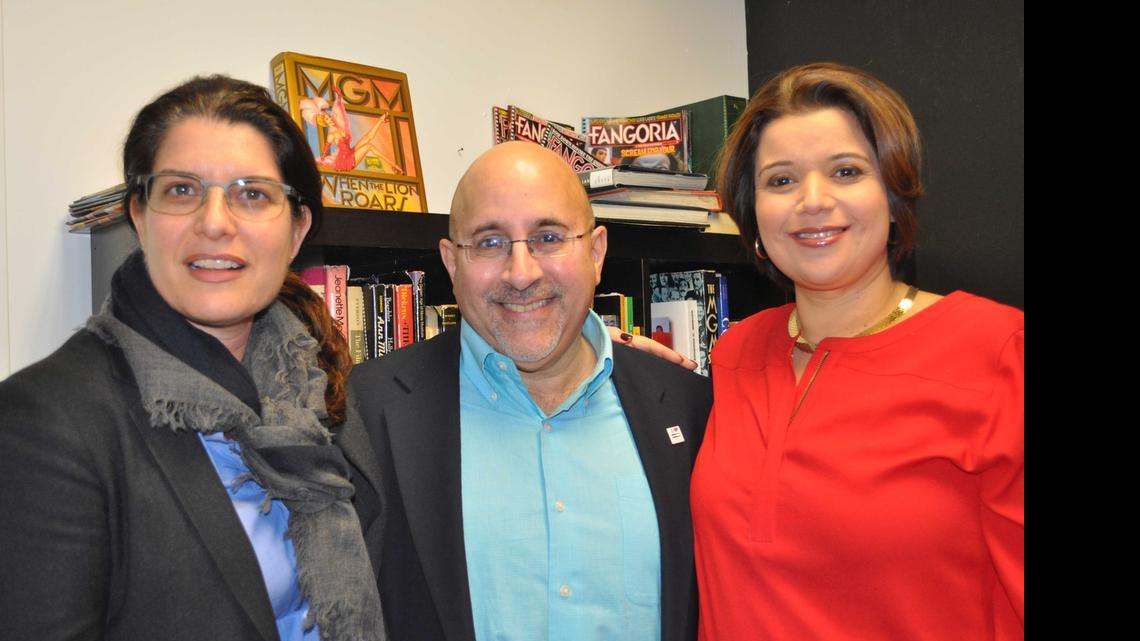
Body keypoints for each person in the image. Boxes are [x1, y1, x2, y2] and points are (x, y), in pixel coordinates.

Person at [0, 76, 386, 641]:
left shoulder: (311, 381)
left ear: (297, 229)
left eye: (252, 193)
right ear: (139, 215)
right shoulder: (46, 419)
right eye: (182, 190)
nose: (214, 221)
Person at [690, 62, 1024, 640]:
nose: (812, 202)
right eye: (781, 180)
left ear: (894, 196)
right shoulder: (738, 350)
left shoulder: (999, 353)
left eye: (846, 171)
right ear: (751, 212)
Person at [350, 141, 712, 641]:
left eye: (548, 236)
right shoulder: (364, 415)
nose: (522, 273)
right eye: (491, 242)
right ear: (452, 264)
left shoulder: (688, 407)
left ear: (596, 252)